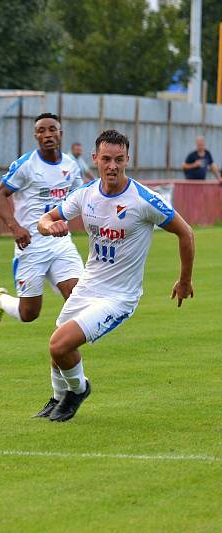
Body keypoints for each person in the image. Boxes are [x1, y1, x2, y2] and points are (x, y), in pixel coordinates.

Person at [37, 129, 194, 422]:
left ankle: (79, 390)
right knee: (58, 347)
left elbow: (186, 233)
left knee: (60, 344)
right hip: (88, 286)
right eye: (106, 159)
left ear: (128, 160)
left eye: (119, 160)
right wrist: (50, 227)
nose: (112, 166)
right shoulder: (85, 195)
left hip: (118, 297)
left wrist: (184, 280)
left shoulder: (144, 200)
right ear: (95, 158)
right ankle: (57, 398)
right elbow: (44, 220)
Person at [0, 113, 84, 330]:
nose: (47, 134)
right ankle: (1, 300)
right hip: (31, 245)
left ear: (60, 133)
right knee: (29, 313)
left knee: (78, 298)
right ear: (36, 136)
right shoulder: (26, 165)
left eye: (52, 129)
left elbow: (81, 196)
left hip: (61, 242)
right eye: (41, 130)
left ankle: (62, 349)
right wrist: (15, 227)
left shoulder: (71, 165)